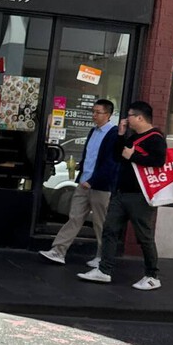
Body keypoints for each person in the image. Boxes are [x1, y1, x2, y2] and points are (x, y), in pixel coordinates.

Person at [77, 101, 166, 290]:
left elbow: (158, 161)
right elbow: (118, 156)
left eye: (130, 116)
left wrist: (133, 156)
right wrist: (120, 135)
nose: (127, 119)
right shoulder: (132, 136)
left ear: (140, 117)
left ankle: (152, 275)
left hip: (140, 196)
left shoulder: (156, 138)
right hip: (121, 193)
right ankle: (104, 270)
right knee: (109, 229)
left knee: (144, 236)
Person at [40, 99, 119, 267]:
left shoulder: (113, 134)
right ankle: (58, 251)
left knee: (100, 223)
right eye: (93, 112)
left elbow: (110, 163)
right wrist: (81, 171)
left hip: (100, 186)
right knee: (74, 218)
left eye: (98, 112)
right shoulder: (93, 132)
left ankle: (102, 257)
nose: (94, 115)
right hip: (83, 183)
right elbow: (89, 156)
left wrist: (93, 180)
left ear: (108, 115)